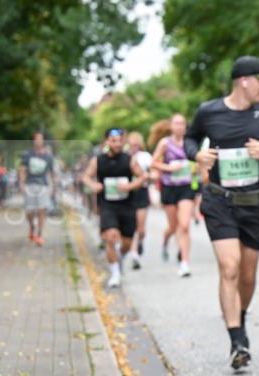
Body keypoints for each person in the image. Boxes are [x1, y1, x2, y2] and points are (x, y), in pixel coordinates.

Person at [185, 55, 259, 372]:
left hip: (254, 204)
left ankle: (238, 317)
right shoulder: (209, 111)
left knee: (247, 275)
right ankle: (237, 341)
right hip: (220, 201)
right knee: (229, 268)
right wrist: (197, 154)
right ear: (244, 81)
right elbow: (190, 139)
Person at [80, 129, 147, 288]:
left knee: (126, 243)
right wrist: (93, 185)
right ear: (107, 142)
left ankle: (121, 258)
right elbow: (85, 176)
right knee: (110, 237)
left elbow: (143, 176)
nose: (116, 144)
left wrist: (129, 186)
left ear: (123, 142)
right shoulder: (98, 161)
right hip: (108, 205)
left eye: (119, 140)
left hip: (127, 205)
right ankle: (115, 273)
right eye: (113, 140)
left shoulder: (129, 160)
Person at [151, 114, 196, 277]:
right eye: (176, 124)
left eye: (182, 124)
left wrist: (195, 168)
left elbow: (196, 161)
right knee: (173, 227)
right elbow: (153, 162)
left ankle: (184, 263)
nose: (179, 127)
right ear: (171, 126)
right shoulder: (165, 143)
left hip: (185, 187)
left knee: (184, 225)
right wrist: (169, 168)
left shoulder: (190, 143)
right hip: (169, 188)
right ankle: (166, 241)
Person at [19, 131, 55, 245]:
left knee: (41, 210)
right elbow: (22, 170)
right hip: (30, 185)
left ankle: (40, 235)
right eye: (36, 139)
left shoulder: (48, 156)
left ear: (43, 141)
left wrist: (53, 187)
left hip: (43, 186)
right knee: (29, 211)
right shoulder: (27, 154)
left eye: (40, 139)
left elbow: (52, 173)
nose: (38, 141)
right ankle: (32, 226)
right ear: (33, 140)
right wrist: (22, 184)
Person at [125, 131, 153, 269]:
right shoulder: (125, 157)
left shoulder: (145, 157)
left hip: (142, 192)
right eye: (131, 144)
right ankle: (134, 255)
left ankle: (140, 241)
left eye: (136, 144)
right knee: (133, 226)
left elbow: (153, 173)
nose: (133, 147)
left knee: (141, 229)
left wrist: (146, 176)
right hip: (129, 193)